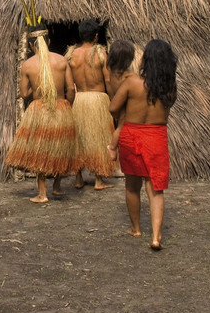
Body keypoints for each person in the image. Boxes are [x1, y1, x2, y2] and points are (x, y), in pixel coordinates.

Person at [108, 39, 177, 250]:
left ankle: (136, 228)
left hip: (131, 135)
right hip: (156, 137)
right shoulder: (170, 89)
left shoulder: (133, 83)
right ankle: (155, 236)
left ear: (146, 60)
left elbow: (113, 108)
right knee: (155, 188)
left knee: (132, 185)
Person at [5, 25, 77, 203]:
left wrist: (35, 89)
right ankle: (57, 187)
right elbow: (70, 88)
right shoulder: (61, 60)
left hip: (39, 110)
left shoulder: (28, 65)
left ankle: (42, 193)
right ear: (49, 41)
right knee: (59, 147)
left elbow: (24, 94)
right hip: (61, 107)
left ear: (31, 45)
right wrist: (68, 105)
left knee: (40, 150)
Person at [67, 19, 116, 190]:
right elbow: (108, 80)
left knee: (79, 139)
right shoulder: (100, 54)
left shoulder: (71, 55)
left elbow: (69, 83)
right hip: (98, 99)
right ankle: (98, 180)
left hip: (79, 100)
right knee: (100, 138)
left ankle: (78, 178)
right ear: (96, 36)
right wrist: (113, 100)